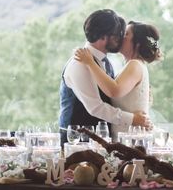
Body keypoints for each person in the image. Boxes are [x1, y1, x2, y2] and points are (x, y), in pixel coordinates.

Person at [59, 9, 151, 144]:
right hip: (77, 143)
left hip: (100, 143)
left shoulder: (106, 63)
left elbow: (112, 94)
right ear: (103, 37)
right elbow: (96, 107)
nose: (120, 40)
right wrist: (133, 119)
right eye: (117, 36)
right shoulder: (79, 64)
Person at [74, 20, 162, 140]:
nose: (120, 36)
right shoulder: (131, 65)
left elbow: (114, 90)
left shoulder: (134, 64)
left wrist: (90, 62)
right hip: (126, 135)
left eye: (126, 34)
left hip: (132, 138)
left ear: (137, 44)